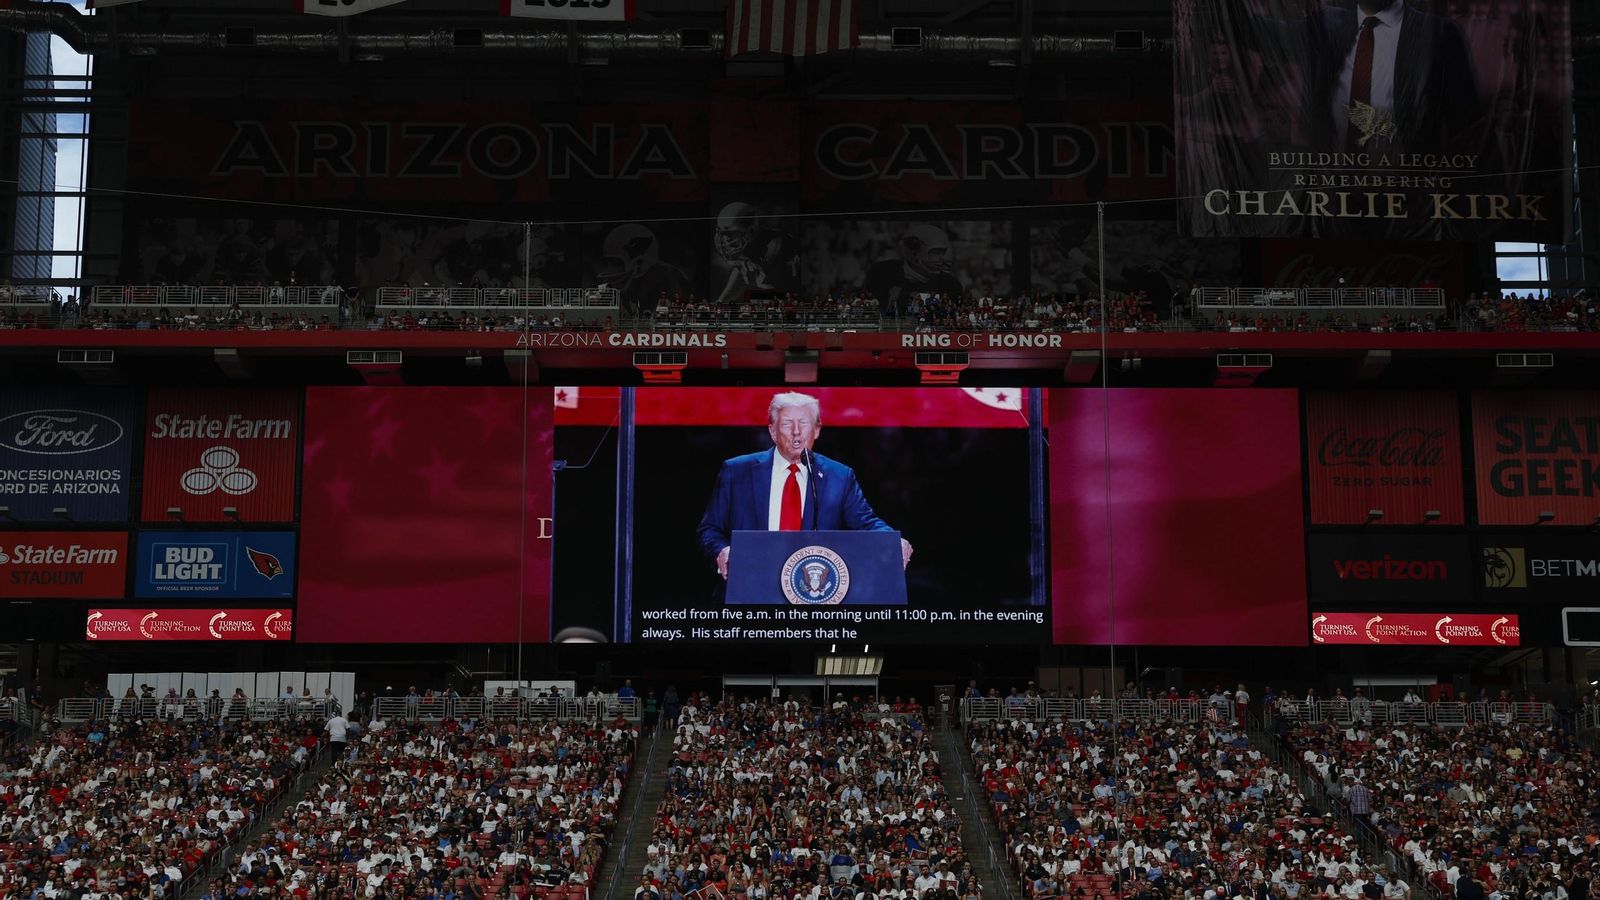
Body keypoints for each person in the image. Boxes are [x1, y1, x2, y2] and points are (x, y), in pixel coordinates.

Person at [697, 391, 912, 579]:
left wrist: (891, 540)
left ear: (817, 430)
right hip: (750, 592)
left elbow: (866, 524)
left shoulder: (839, 476)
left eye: (804, 423)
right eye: (788, 423)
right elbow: (709, 529)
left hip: (813, 594)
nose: (797, 431)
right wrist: (722, 550)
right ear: (772, 431)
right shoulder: (737, 472)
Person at [863, 224, 964, 312]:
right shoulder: (882, 273)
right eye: (935, 252)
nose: (941, 259)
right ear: (914, 252)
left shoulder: (951, 285)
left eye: (942, 252)